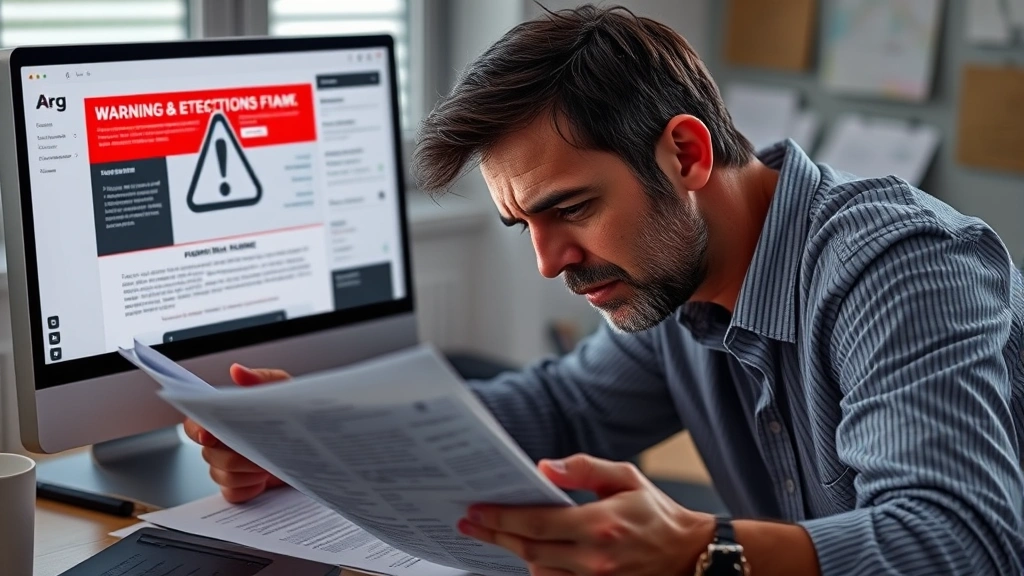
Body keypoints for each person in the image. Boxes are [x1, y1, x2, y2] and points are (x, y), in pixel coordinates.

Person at [185, 5, 1024, 576]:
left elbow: (962, 542)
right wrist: (317, 442)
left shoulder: (903, 267)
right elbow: (560, 411)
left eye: (572, 208)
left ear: (686, 155)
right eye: (525, 226)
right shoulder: (676, 280)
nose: (550, 262)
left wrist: (704, 552)